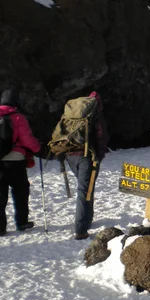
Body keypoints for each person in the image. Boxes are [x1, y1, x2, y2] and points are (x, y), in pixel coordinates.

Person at [0, 88, 42, 236]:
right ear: (16, 102)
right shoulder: (18, 117)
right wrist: (38, 148)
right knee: (20, 190)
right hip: (14, 160)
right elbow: (27, 140)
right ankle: (22, 222)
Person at [64, 91, 109, 240]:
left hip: (70, 155)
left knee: (87, 187)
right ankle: (80, 229)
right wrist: (99, 156)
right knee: (85, 190)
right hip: (86, 157)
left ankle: (87, 220)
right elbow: (101, 137)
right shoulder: (95, 115)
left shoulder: (75, 113)